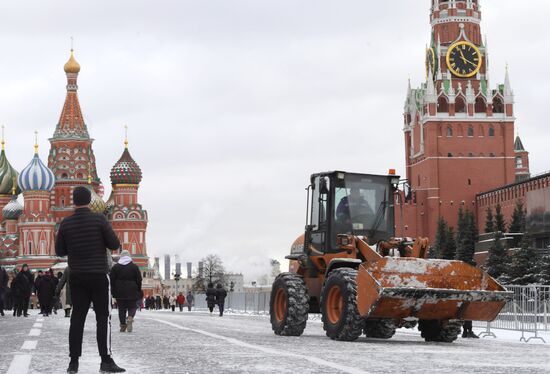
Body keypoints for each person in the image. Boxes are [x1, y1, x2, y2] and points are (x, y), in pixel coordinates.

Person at [55, 186, 125, 373]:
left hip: (77, 276)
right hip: (98, 275)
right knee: (103, 318)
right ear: (89, 200)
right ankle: (105, 361)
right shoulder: (99, 220)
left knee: (77, 318)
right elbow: (114, 244)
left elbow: (60, 251)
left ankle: (73, 363)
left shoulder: (66, 223)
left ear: (74, 202)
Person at [110, 250, 142, 333]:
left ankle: (123, 326)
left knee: (121, 309)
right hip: (132, 290)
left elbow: (111, 280)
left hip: (119, 291)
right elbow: (139, 279)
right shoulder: (134, 267)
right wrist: (138, 289)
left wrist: (113, 291)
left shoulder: (115, 267)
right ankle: (130, 317)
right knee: (132, 307)